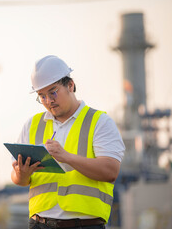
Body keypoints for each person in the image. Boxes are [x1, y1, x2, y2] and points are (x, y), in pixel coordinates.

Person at [11, 55, 125, 229]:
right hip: (39, 224)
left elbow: (110, 171)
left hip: (85, 225)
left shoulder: (99, 122)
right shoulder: (32, 125)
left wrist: (66, 157)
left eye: (53, 92)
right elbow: (17, 178)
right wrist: (22, 173)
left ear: (70, 85)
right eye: (41, 96)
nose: (48, 101)